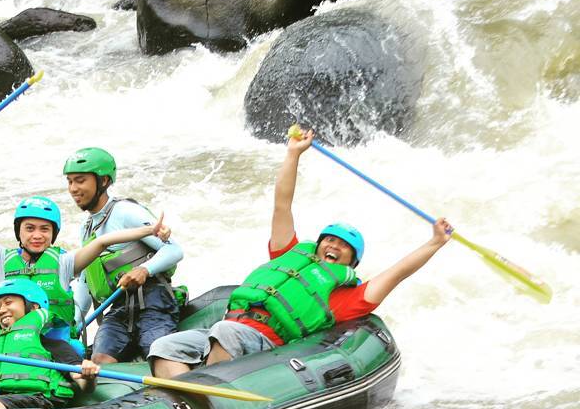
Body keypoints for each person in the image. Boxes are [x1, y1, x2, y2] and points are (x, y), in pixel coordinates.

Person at [148, 128, 453, 378]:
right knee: (164, 346)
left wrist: (434, 243)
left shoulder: (343, 298)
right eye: (330, 240)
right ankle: (184, 399)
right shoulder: (288, 253)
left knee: (225, 331)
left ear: (351, 262)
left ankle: (211, 393)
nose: (334, 246)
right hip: (225, 330)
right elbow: (282, 203)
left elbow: (397, 273)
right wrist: (293, 153)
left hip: (262, 344)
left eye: (344, 246)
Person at [0, 167, 171, 345]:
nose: (37, 235)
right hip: (16, 345)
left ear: (53, 234)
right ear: (19, 232)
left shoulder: (64, 263)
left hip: (56, 344)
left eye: (44, 229)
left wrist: (150, 230)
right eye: (30, 228)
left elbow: (103, 240)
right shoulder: (2, 261)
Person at [63, 147, 185, 364]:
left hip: (154, 299)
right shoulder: (87, 228)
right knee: (99, 359)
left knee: (160, 354)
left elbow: (173, 249)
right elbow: (85, 282)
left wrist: (144, 270)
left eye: (80, 180)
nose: (73, 188)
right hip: (119, 307)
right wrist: (75, 323)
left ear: (103, 181)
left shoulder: (125, 211)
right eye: (70, 181)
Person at [0, 279, 100, 409]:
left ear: (34, 307)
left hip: (38, 398)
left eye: (8, 303)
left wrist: (88, 377)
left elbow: (82, 381)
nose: (1, 310)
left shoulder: (53, 345)